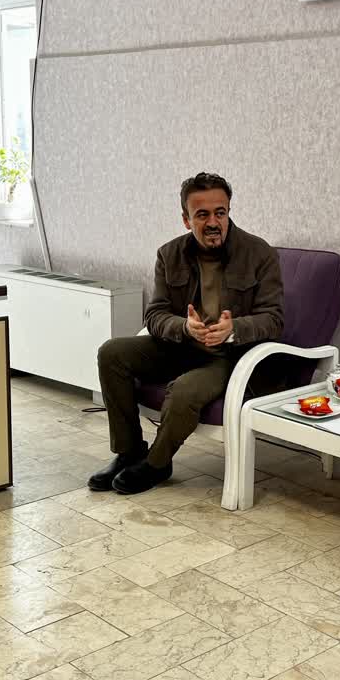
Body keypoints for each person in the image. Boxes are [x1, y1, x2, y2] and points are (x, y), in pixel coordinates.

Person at [89, 172, 283, 495]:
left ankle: (157, 463)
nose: (213, 222)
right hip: (179, 346)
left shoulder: (259, 254)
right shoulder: (169, 254)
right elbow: (155, 314)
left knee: (184, 391)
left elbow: (273, 319)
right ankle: (129, 452)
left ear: (229, 212)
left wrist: (233, 329)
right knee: (111, 353)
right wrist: (183, 327)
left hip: (227, 357)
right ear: (185, 219)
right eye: (202, 214)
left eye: (220, 212)